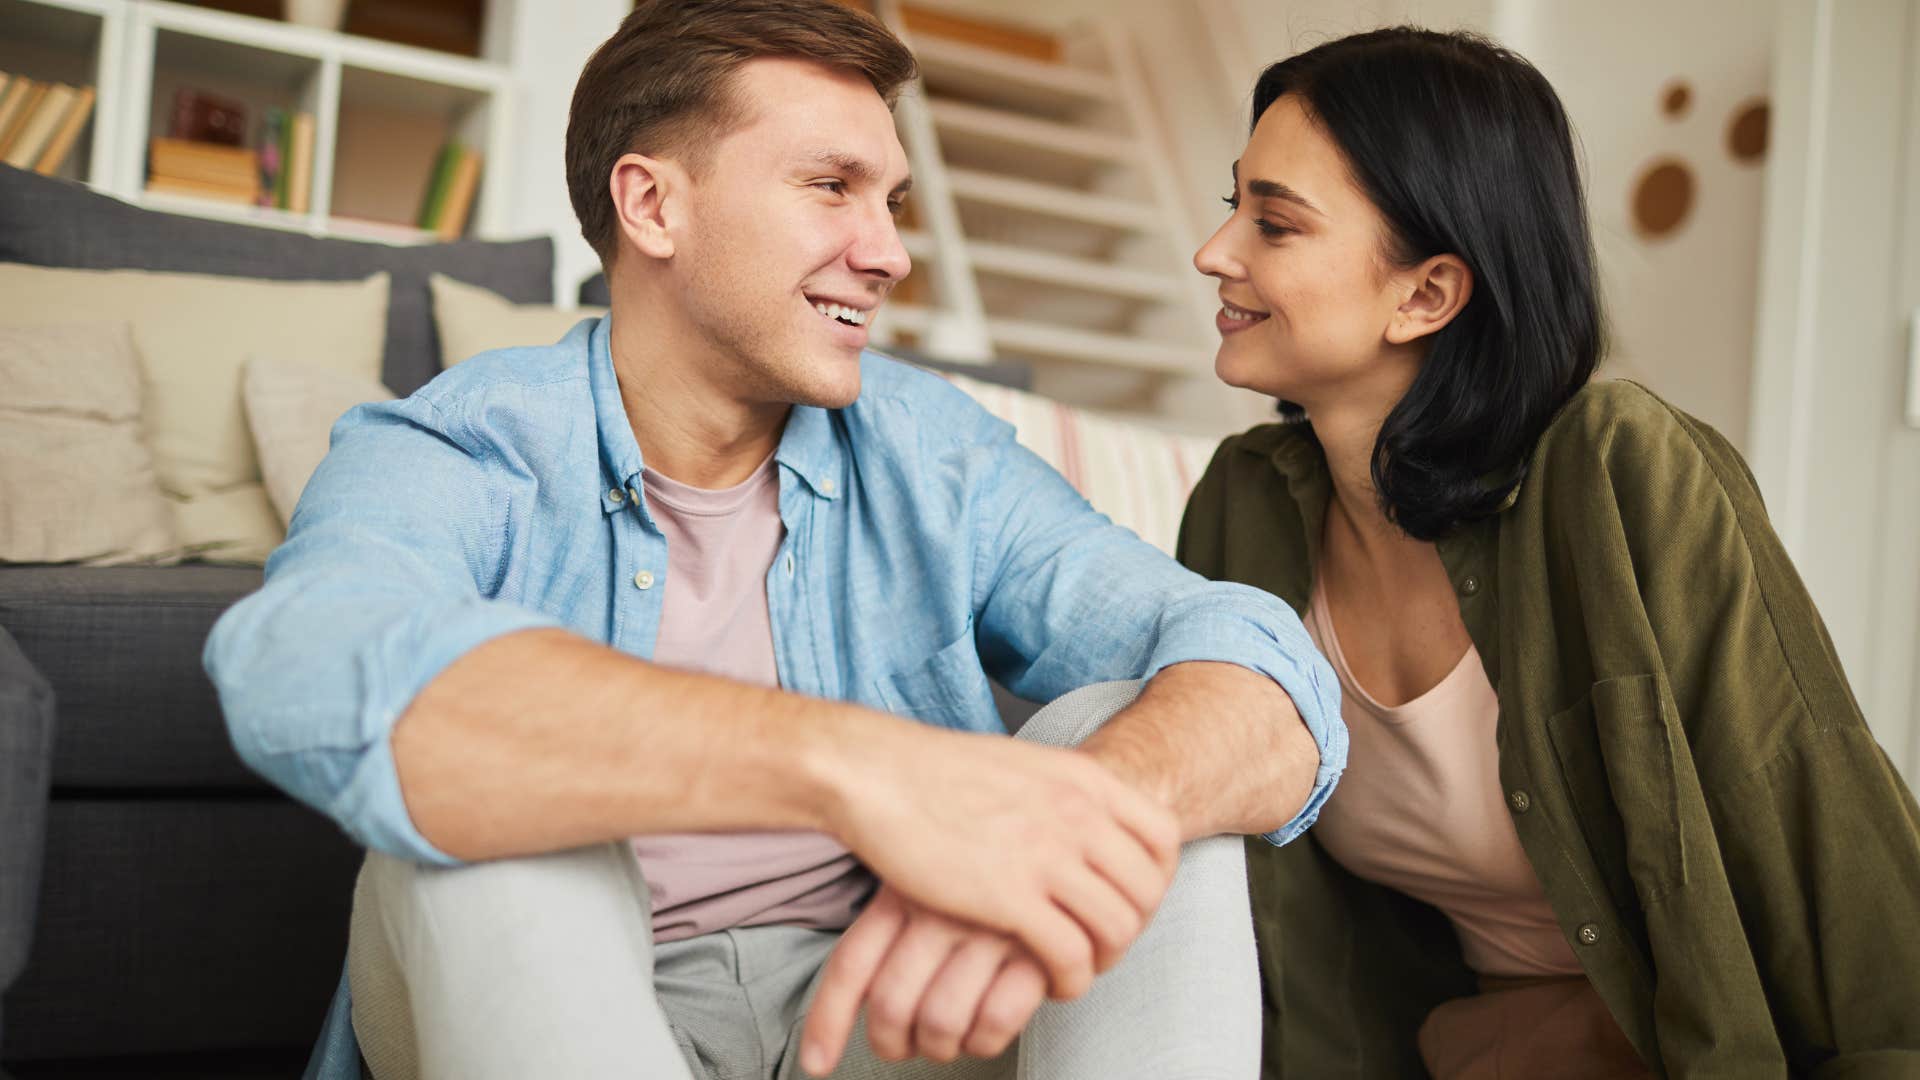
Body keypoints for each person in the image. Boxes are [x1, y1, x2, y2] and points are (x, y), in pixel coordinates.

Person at [204, 2, 1344, 1078]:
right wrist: (852, 767)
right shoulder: (460, 446)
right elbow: (300, 657)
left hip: (882, 1007)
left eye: (890, 200)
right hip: (570, 997)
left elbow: (1261, 668)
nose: (889, 252)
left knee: (1135, 751)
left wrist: (1084, 810)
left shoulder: (933, 450)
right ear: (653, 205)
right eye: (830, 186)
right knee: (514, 803)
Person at [1178, 25, 1920, 1079]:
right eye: (1231, 206)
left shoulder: (1620, 472)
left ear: (1427, 294)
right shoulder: (1240, 506)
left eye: (1275, 224)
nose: (1216, 253)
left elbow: (1822, 832)